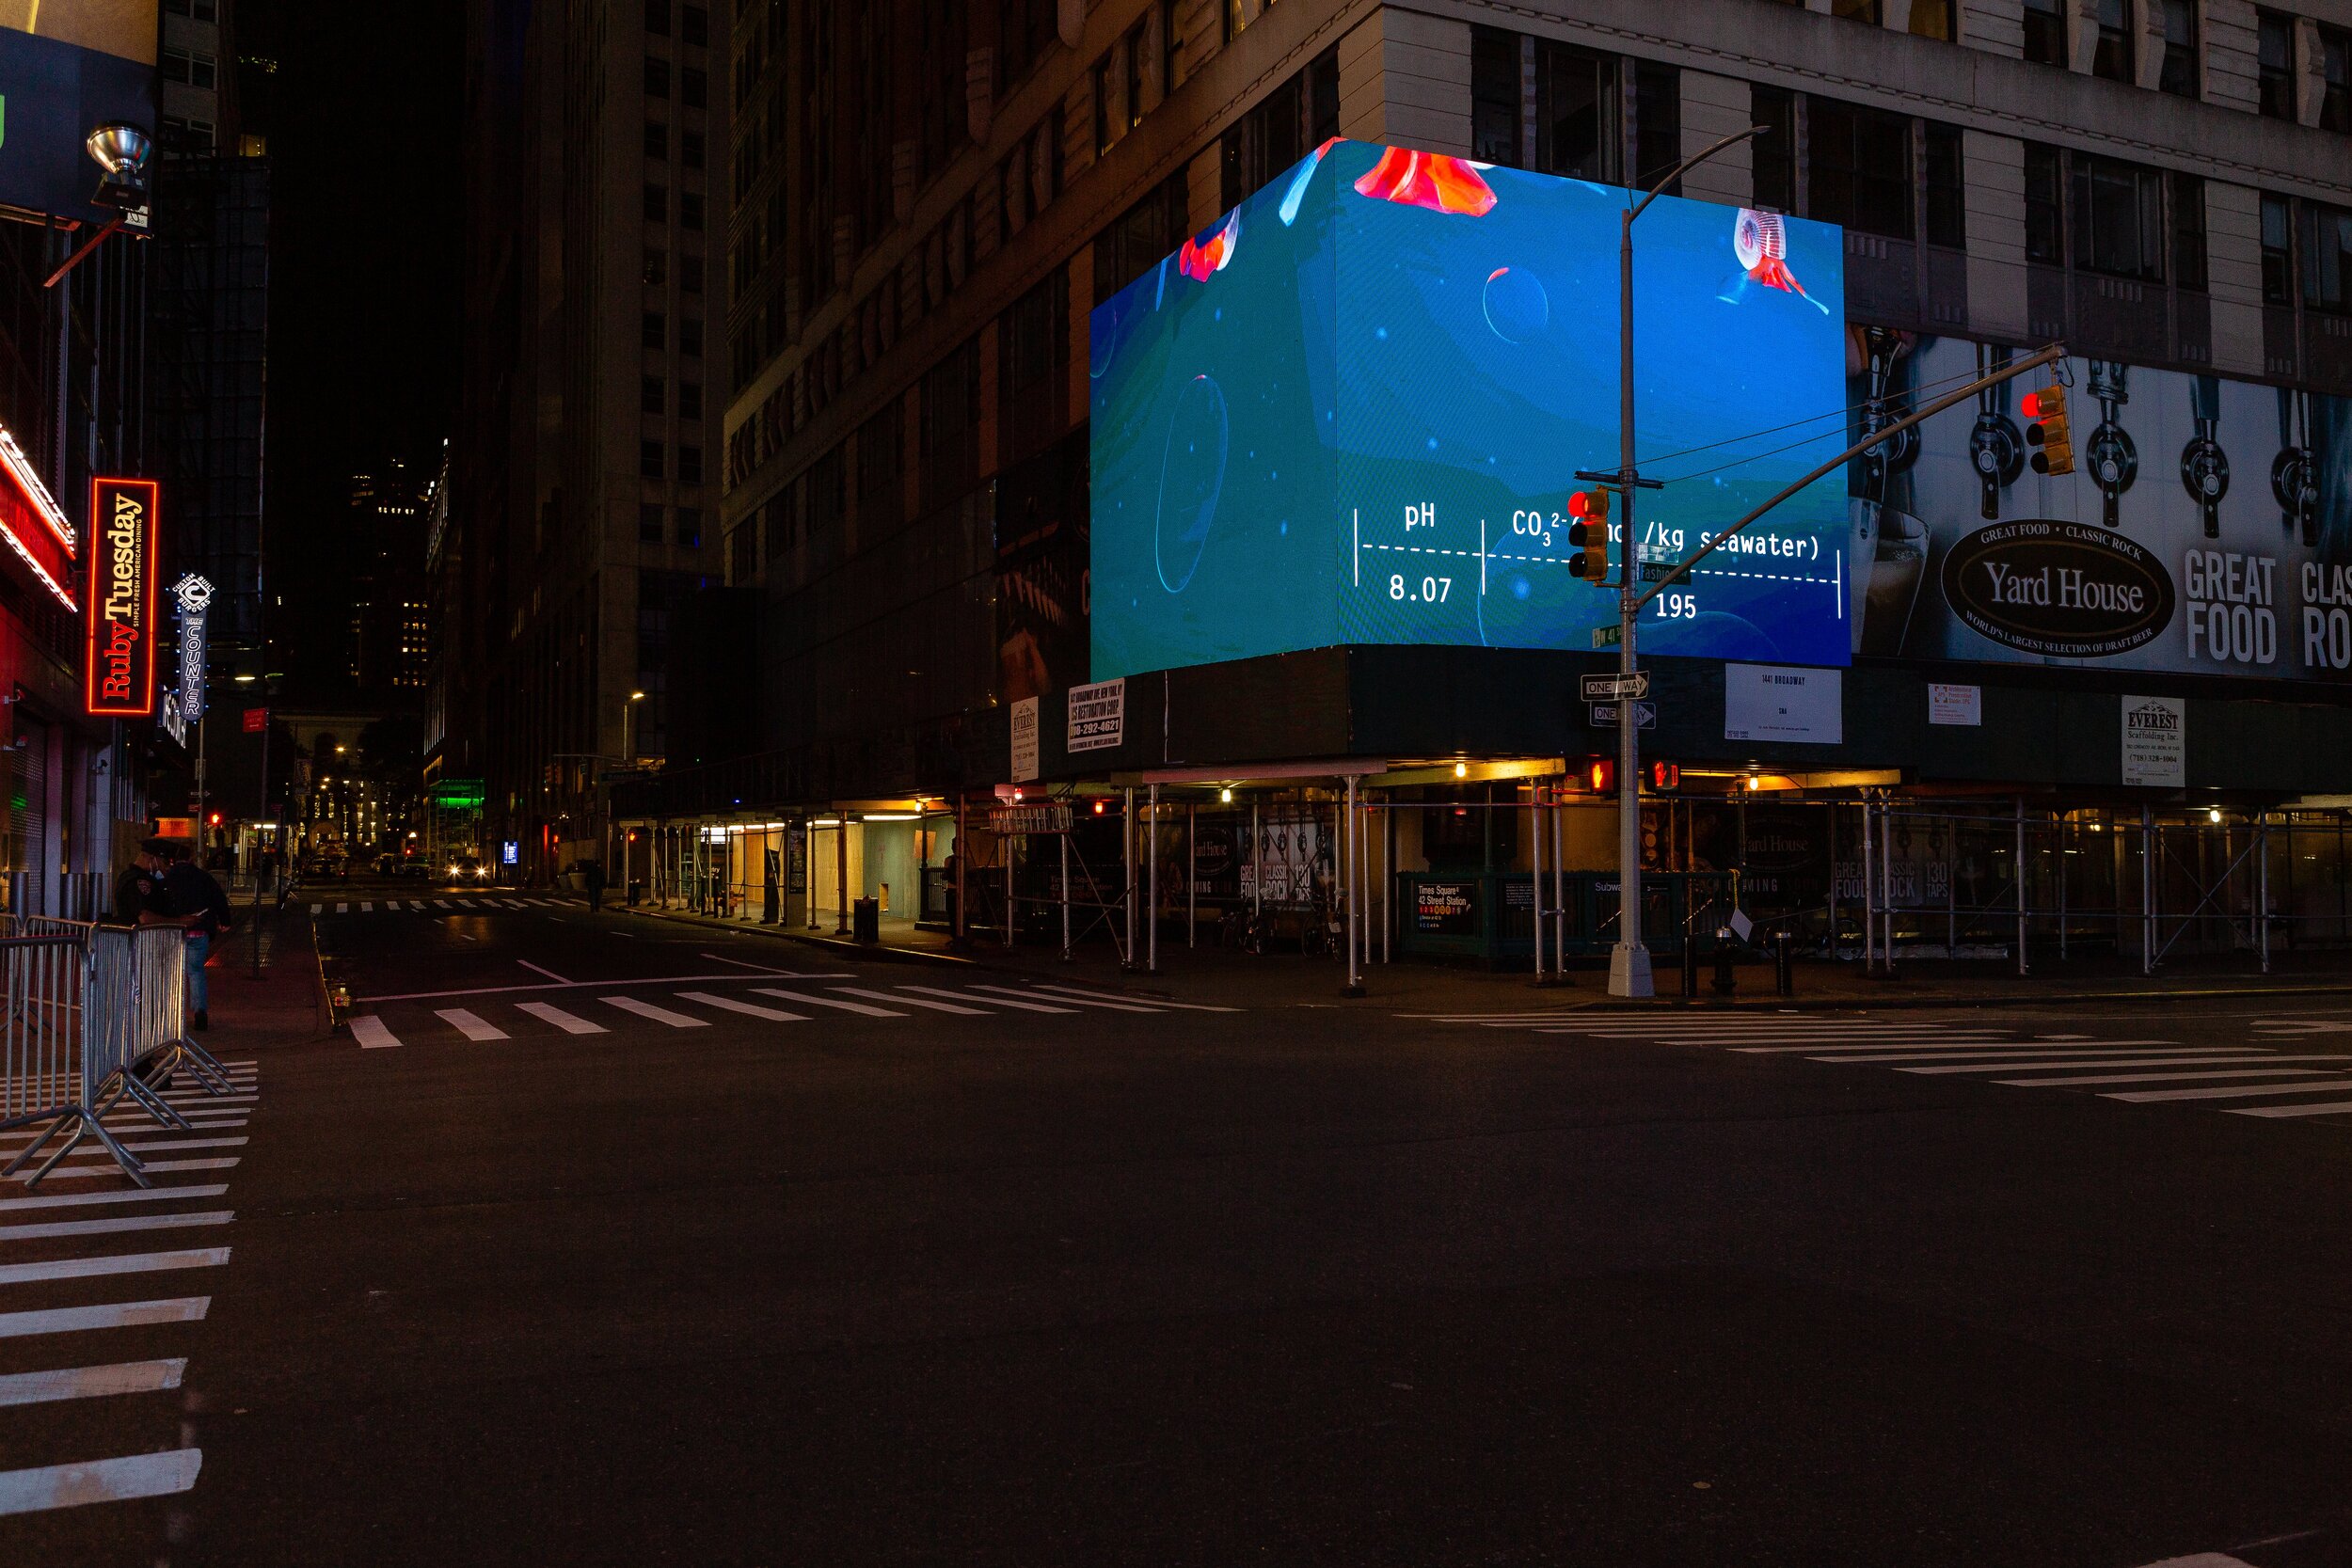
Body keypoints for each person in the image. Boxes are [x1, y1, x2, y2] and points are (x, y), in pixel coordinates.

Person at [159, 843, 232, 1031]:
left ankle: (173, 1014)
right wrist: (225, 921)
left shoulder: (167, 879)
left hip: (173, 931)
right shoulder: (203, 877)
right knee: (196, 971)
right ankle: (200, 1012)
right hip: (199, 930)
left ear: (174, 859)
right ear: (191, 858)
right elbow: (218, 899)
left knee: (173, 973)